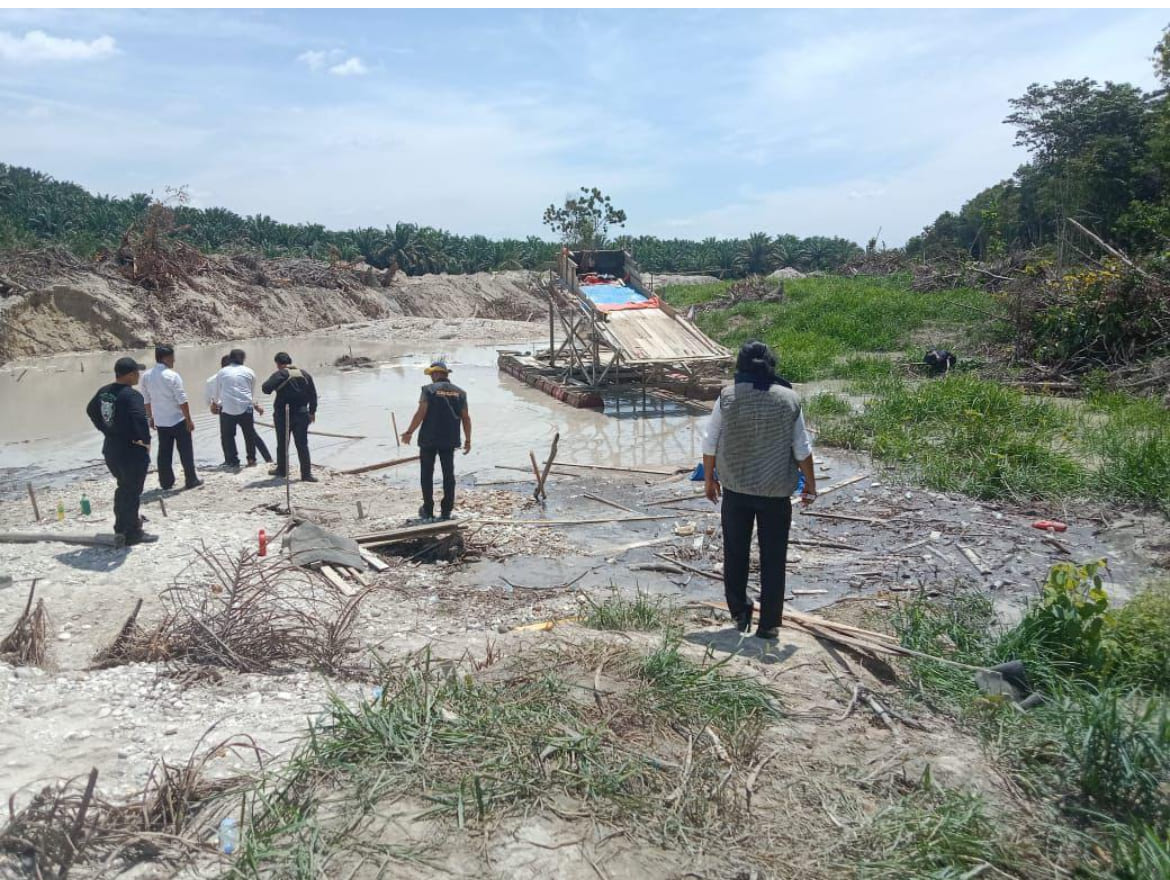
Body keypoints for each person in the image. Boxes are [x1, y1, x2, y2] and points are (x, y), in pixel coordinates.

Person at [703, 340, 817, 640]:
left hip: (736, 489)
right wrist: (812, 486)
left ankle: (740, 614)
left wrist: (709, 479)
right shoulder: (788, 399)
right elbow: (802, 450)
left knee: (735, 553)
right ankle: (768, 624)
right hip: (776, 492)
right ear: (772, 365)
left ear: (739, 366)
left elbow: (710, 442)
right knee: (773, 557)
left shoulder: (727, 397)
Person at [85, 357, 158, 546]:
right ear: (130, 374)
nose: (139, 376)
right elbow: (139, 420)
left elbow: (91, 410)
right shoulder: (132, 395)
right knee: (132, 491)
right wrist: (145, 443)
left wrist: (105, 429)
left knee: (124, 488)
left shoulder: (104, 392)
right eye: (137, 373)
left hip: (111, 448)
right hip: (131, 450)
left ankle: (121, 527)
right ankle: (133, 533)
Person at [400, 359, 471, 522]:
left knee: (426, 474)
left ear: (438, 373)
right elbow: (466, 418)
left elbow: (421, 413)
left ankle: (428, 510)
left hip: (429, 439)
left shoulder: (428, 390)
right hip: (450, 439)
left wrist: (409, 432)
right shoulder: (460, 392)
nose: (431, 377)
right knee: (448, 475)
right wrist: (468, 440)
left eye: (432, 374)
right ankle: (446, 511)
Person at [141, 344, 202, 491]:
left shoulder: (146, 376)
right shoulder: (172, 375)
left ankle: (166, 482)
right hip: (178, 420)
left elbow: (146, 400)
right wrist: (188, 419)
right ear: (167, 358)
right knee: (185, 451)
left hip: (161, 421)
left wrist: (150, 417)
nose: (174, 361)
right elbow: (182, 400)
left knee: (164, 452)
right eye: (173, 358)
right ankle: (191, 479)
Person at [261, 351, 318, 482]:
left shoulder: (280, 374)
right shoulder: (305, 374)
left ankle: (282, 470)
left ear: (278, 364)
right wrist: (312, 412)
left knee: (282, 443)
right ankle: (306, 474)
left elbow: (265, 388)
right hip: (303, 414)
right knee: (302, 445)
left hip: (283, 415)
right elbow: (313, 395)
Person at [215, 348, 271, 469]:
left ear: (230, 358)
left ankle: (233, 461)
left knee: (228, 435)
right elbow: (251, 392)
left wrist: (216, 404)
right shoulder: (249, 371)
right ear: (243, 359)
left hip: (227, 408)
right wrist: (255, 405)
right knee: (249, 434)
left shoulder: (222, 372)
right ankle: (251, 459)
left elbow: (218, 392)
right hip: (246, 408)